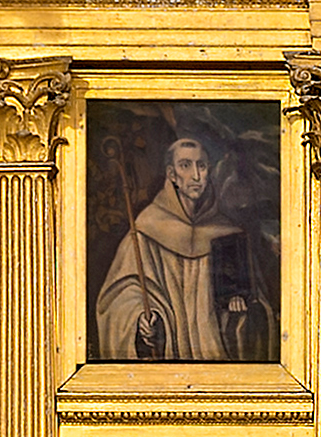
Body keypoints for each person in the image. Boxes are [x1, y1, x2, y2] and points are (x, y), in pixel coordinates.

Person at [94, 124, 262, 363]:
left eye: (201, 166)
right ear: (172, 175)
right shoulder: (145, 230)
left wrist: (239, 310)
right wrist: (140, 320)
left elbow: (259, 309)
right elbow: (117, 300)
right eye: (186, 166)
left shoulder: (227, 233)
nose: (195, 176)